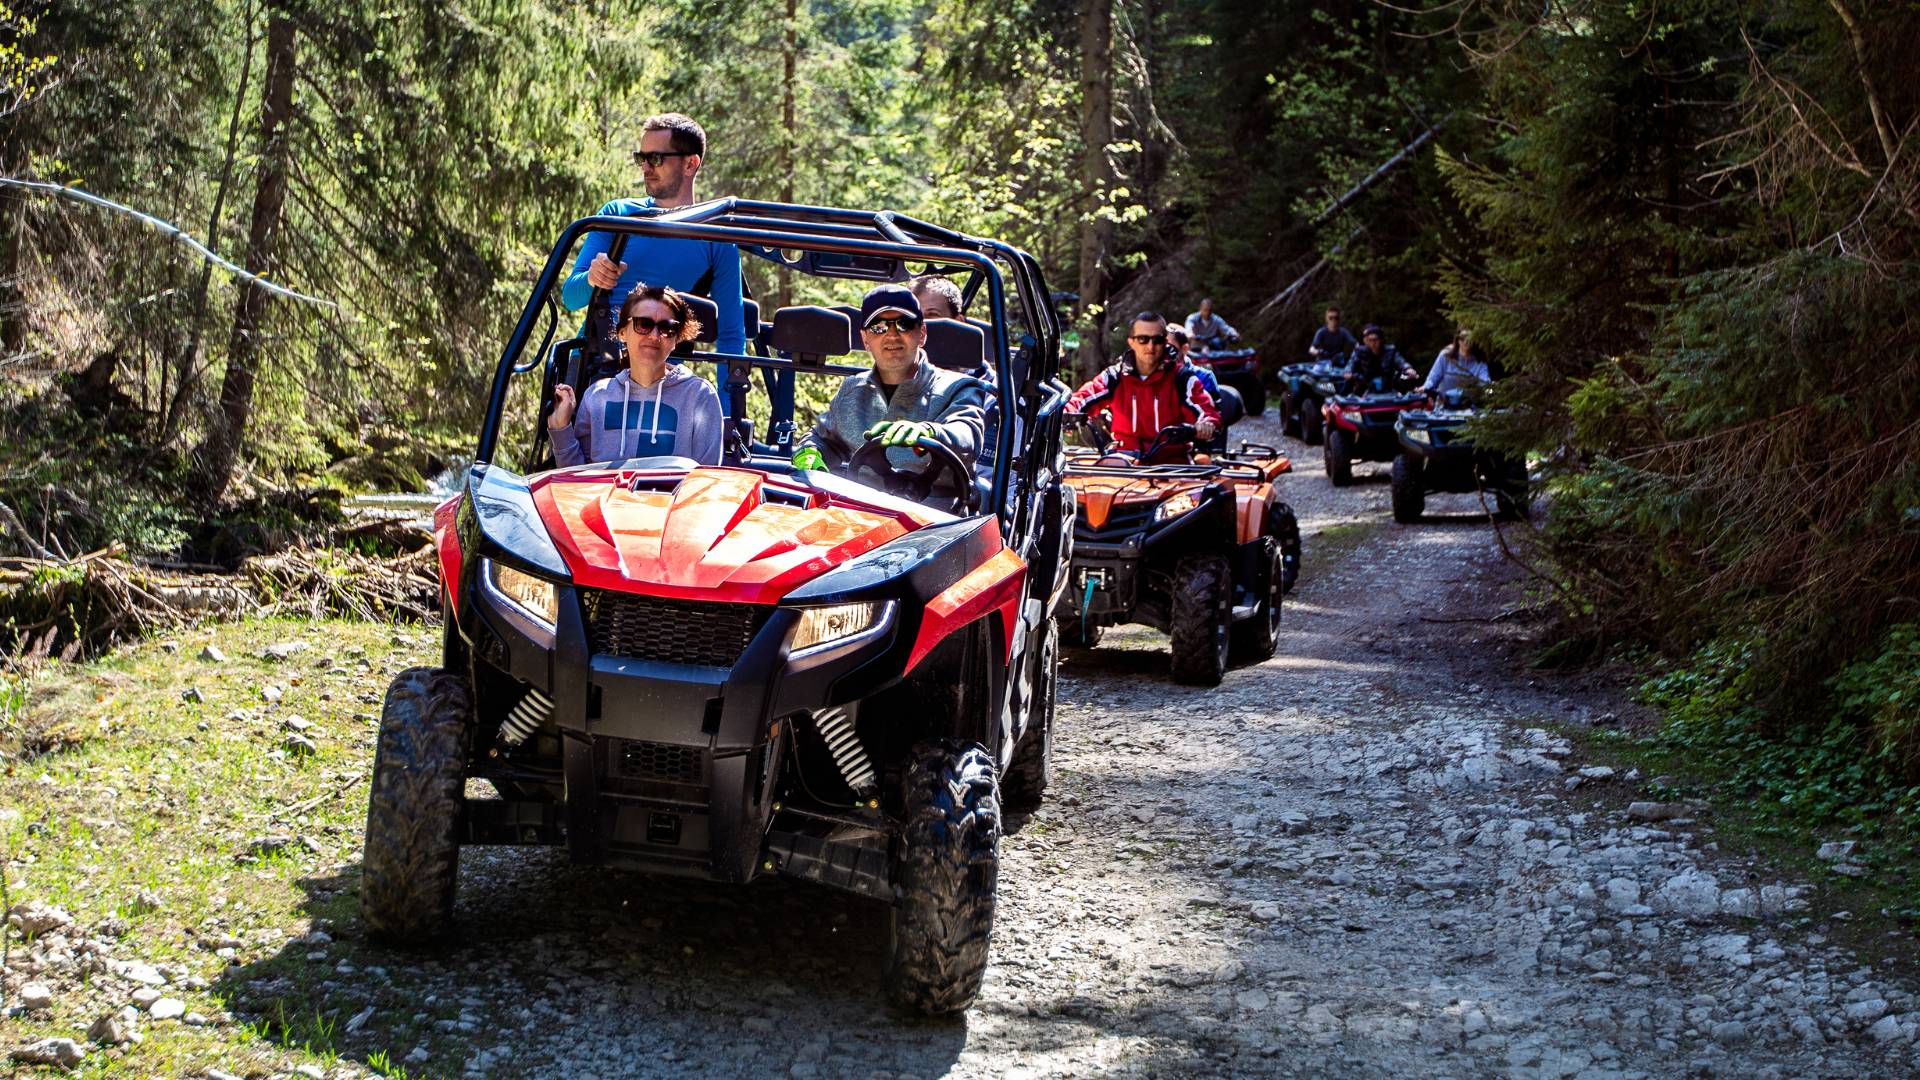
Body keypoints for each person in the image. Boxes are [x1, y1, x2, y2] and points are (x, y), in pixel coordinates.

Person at [561, 113, 746, 354]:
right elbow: (571, 298)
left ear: (691, 164)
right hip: (596, 368)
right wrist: (592, 279)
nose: (645, 167)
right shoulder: (617, 214)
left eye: (656, 158)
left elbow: (731, 334)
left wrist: (728, 392)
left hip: (664, 381)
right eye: (642, 157)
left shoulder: (716, 237)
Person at [791, 284, 989, 500]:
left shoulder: (959, 388)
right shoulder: (852, 392)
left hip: (939, 525)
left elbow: (967, 436)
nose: (892, 335)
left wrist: (930, 433)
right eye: (879, 327)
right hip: (861, 518)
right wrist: (809, 452)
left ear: (922, 334)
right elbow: (822, 438)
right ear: (866, 340)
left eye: (903, 324)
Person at [547, 285, 724, 466]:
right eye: (643, 325)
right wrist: (560, 428)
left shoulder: (700, 397)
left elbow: (704, 482)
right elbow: (576, 480)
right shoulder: (596, 397)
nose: (655, 336)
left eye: (667, 328)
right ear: (622, 333)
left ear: (676, 340)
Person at [1066, 312, 1220, 461]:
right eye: (1142, 339)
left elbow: (1205, 410)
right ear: (1131, 342)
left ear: (1166, 342)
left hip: (1171, 466)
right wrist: (1066, 413)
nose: (1150, 345)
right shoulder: (1114, 377)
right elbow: (1082, 398)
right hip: (1124, 464)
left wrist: (1206, 424)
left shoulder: (1182, 379)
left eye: (1157, 339)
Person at [1345, 325, 1418, 390]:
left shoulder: (1391, 351)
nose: (1373, 343)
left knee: (1406, 397)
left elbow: (1400, 361)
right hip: (1366, 385)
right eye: (1370, 340)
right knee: (1350, 399)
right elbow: (1352, 362)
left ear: (1382, 339)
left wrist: (1408, 369)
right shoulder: (1360, 351)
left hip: (1389, 385)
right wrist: (1348, 371)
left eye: (1375, 340)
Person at [1423, 327, 1492, 395]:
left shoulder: (1480, 361)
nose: (1465, 341)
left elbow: (1485, 382)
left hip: (1471, 405)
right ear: (1457, 340)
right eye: (1462, 338)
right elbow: (1432, 378)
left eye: (1469, 338)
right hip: (1444, 404)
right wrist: (1425, 387)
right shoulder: (1445, 356)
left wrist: (1489, 389)